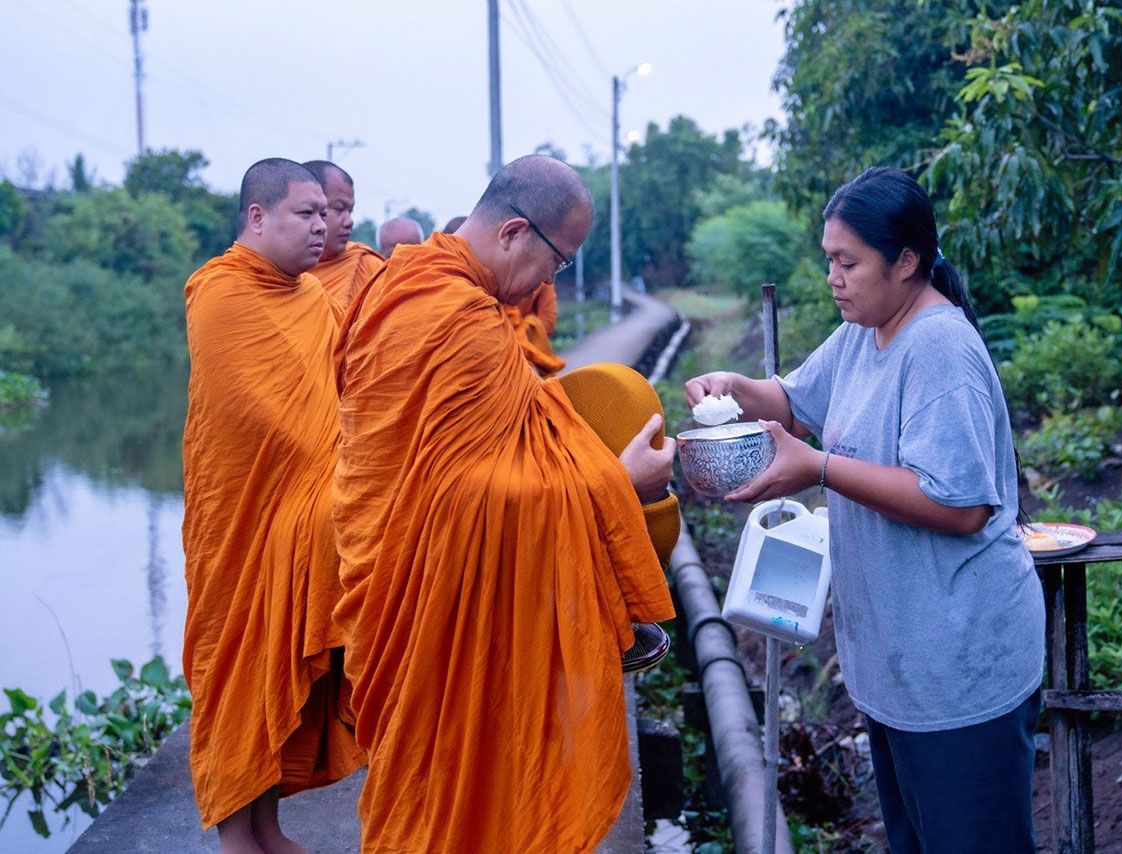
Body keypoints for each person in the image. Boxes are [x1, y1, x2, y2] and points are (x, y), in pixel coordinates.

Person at [686, 166, 1044, 853]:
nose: (834, 277)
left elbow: (961, 504)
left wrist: (816, 467)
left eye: (848, 262)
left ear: (907, 262)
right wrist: (733, 387)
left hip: (957, 666)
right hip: (897, 666)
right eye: (829, 260)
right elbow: (794, 401)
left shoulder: (939, 348)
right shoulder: (864, 330)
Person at [331, 154, 677, 853]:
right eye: (559, 260)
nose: (555, 282)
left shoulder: (408, 286)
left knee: (443, 786)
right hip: (426, 593)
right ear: (516, 232)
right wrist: (619, 481)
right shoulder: (457, 319)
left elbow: (484, 456)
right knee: (445, 791)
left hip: (426, 583)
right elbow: (475, 496)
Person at [182, 157, 364, 853]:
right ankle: (238, 835)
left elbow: (339, 395)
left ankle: (268, 826)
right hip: (244, 520)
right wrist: (345, 468)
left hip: (305, 509)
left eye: (327, 213)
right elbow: (260, 418)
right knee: (237, 667)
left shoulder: (311, 297)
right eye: (306, 214)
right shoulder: (220, 293)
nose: (323, 227)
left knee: (281, 672)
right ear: (258, 217)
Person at [302, 160, 383, 309]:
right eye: (339, 209)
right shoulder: (276, 270)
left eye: (350, 211)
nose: (349, 221)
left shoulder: (369, 267)